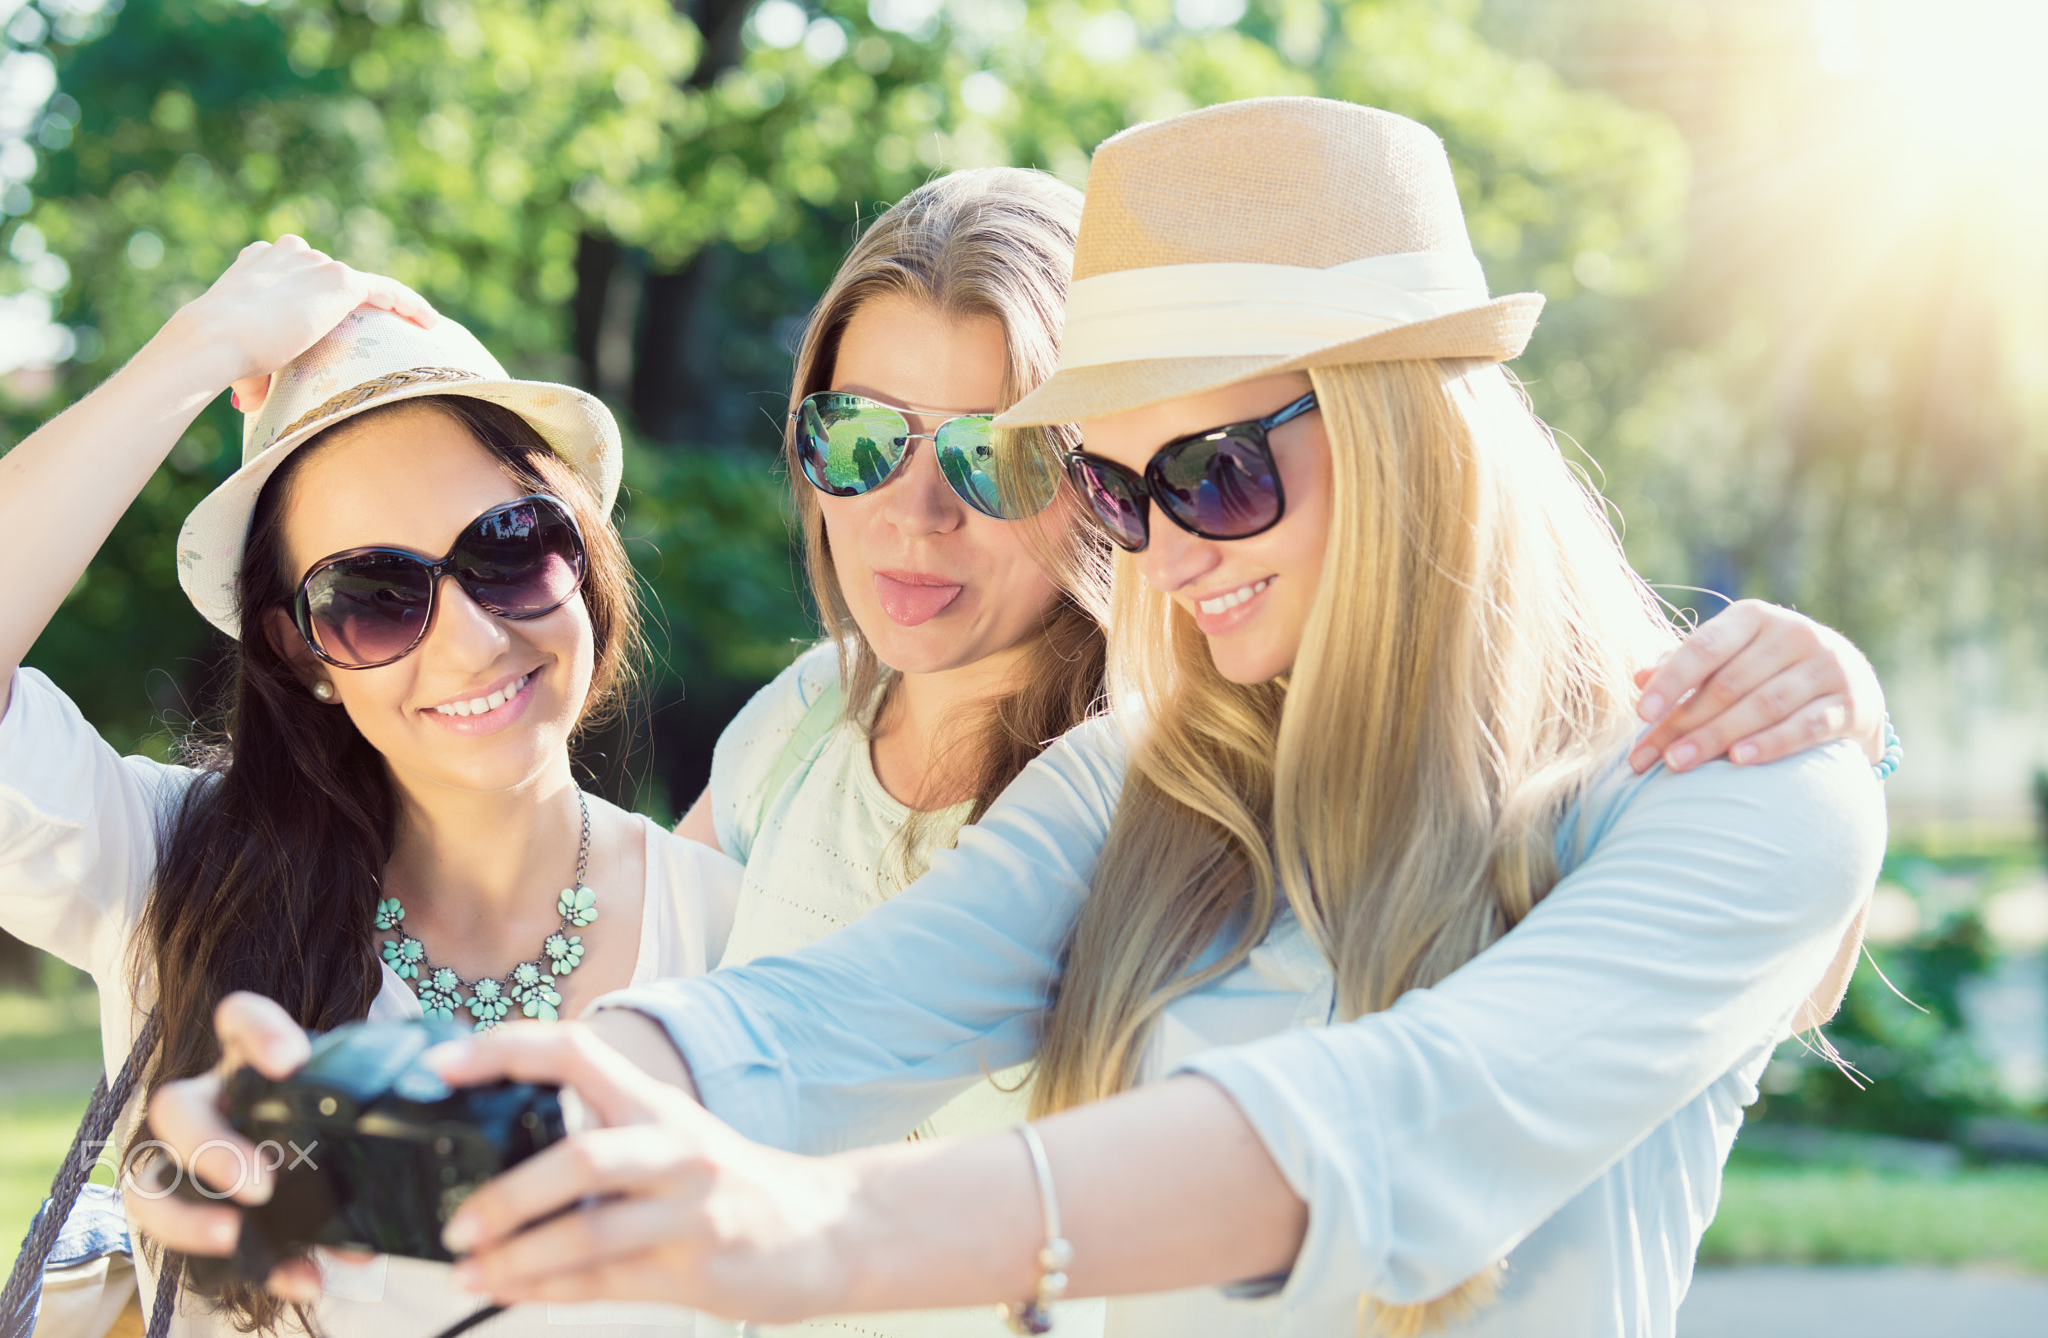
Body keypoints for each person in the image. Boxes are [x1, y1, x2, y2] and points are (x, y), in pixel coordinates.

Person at [134, 101, 1888, 1338]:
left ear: (1413, 433)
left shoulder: (1730, 788)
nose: (1155, 550)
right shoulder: (1144, 775)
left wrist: (812, 1232)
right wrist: (384, 1122)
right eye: (1118, 492)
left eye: (1209, 472)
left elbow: (1401, 1115)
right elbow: (815, 1019)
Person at [0, 238, 740, 1337]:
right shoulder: (176, 870)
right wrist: (195, 350)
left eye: (510, 545)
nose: (472, 639)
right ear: (299, 650)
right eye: (374, 594)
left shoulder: (739, 928)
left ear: (582, 551)